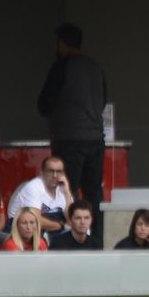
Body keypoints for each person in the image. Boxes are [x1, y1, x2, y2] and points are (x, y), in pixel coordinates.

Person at [37, 21, 107, 245]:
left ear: (62, 43)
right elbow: (103, 101)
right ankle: (95, 240)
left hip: (69, 138)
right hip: (96, 139)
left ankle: (73, 240)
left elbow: (44, 103)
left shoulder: (62, 67)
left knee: (69, 192)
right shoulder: (96, 67)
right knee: (94, 194)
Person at [7, 156, 72, 235]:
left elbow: (72, 220)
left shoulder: (63, 187)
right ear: (42, 172)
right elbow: (35, 220)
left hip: (52, 228)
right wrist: (62, 226)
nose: (55, 175)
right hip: (22, 230)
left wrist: (67, 193)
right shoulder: (33, 187)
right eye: (51, 171)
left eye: (59, 171)